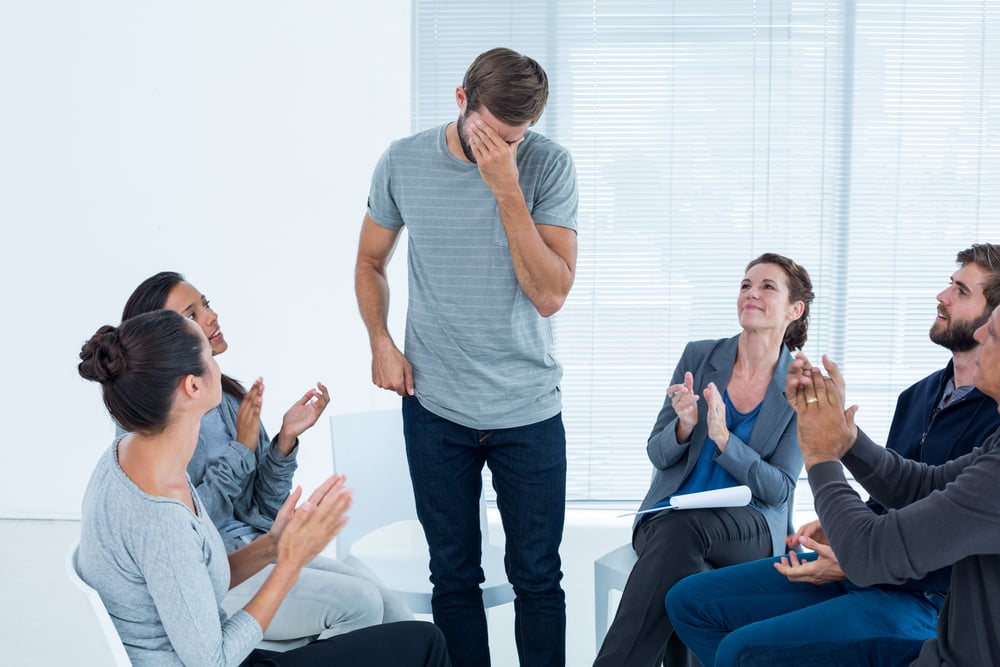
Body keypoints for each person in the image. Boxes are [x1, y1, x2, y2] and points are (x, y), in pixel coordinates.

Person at [665, 243, 1000, 667]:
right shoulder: (919, 396)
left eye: (962, 291)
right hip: (868, 559)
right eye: (950, 284)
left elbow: (936, 536)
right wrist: (843, 440)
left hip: (923, 593)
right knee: (688, 602)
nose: (942, 296)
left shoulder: (994, 423)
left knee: (742, 651)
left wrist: (821, 454)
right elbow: (917, 487)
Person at [354, 47, 578, 667]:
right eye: (492, 134)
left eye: (517, 137)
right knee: (452, 577)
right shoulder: (402, 162)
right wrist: (380, 340)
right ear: (460, 100)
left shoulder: (548, 167)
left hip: (528, 410)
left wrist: (506, 190)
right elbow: (370, 261)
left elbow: (550, 294)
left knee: (538, 577)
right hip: (435, 408)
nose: (504, 148)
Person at [76, 309, 450, 666]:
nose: (218, 362)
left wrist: (273, 543)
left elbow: (199, 579)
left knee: (407, 629)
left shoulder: (138, 457)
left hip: (219, 648)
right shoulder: (160, 514)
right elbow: (213, 660)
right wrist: (287, 564)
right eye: (209, 355)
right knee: (426, 644)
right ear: (192, 386)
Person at [121, 271, 412, 642]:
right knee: (362, 603)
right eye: (191, 315)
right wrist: (241, 450)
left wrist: (284, 442)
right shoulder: (148, 425)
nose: (211, 317)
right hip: (217, 571)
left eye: (206, 304)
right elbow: (185, 528)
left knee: (395, 610)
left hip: (263, 547)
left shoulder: (228, 398)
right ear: (156, 338)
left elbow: (264, 508)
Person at [594, 253, 813, 667]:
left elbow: (779, 489)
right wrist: (683, 426)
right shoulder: (699, 356)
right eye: (746, 284)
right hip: (667, 519)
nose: (752, 293)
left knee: (683, 544)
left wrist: (724, 441)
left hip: (748, 527)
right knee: (687, 569)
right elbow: (657, 454)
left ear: (794, 309)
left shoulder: (801, 385)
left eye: (767, 287)